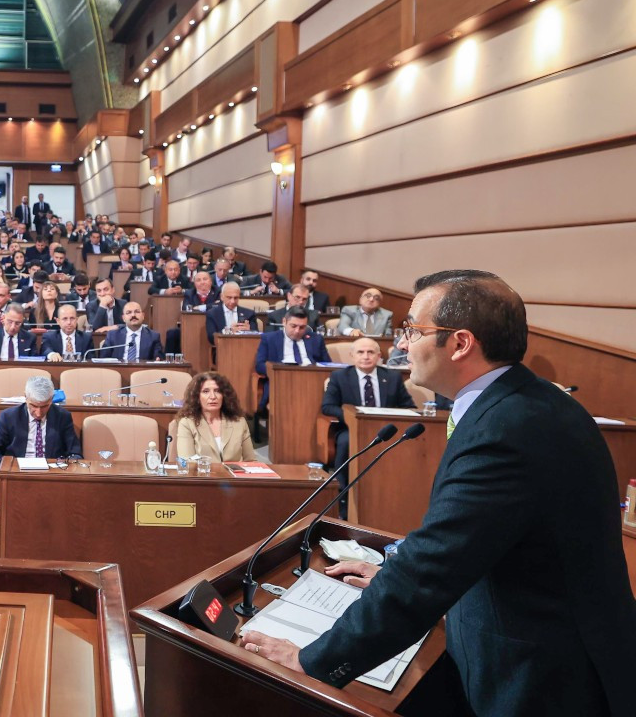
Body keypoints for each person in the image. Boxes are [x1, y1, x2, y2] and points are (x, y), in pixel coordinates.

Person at [243, 269, 635, 716]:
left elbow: (433, 566)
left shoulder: (505, 431)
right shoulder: (530, 402)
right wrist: (392, 564)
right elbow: (488, 532)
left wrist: (309, 660)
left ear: (461, 343)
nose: (403, 343)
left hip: (543, 676)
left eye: (413, 329)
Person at [320, 337, 415, 517]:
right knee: (346, 443)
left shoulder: (392, 377)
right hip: (352, 429)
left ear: (379, 356)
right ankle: (342, 499)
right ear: (352, 356)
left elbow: (408, 406)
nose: (365, 356)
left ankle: (394, 501)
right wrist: (354, 416)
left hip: (386, 430)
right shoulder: (339, 377)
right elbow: (327, 406)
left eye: (370, 352)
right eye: (360, 352)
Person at [0, 375, 82, 513]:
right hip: (16, 478)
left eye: (45, 406)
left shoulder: (62, 417)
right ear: (25, 398)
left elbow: (75, 453)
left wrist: (65, 467)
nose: (39, 413)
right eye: (34, 406)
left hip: (51, 479)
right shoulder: (9, 417)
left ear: (52, 399)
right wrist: (8, 467)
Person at [254, 306, 331, 411]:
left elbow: (328, 365)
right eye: (293, 326)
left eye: (302, 327)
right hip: (282, 382)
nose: (297, 331)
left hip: (311, 382)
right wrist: (279, 371)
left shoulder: (316, 339)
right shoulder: (269, 339)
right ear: (284, 322)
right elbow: (259, 365)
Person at [174, 372, 255, 462]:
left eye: (217, 391)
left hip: (233, 476)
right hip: (202, 475)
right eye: (206, 391)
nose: (213, 396)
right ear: (197, 397)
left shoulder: (239, 422)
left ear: (224, 395)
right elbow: (187, 463)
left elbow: (251, 461)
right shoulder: (187, 423)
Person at [205, 282, 257, 347]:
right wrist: (229, 331)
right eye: (229, 297)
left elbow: (256, 336)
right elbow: (211, 338)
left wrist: (249, 331)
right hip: (222, 349)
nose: (232, 301)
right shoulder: (212, 314)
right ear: (222, 297)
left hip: (244, 348)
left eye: (236, 298)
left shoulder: (249, 314)